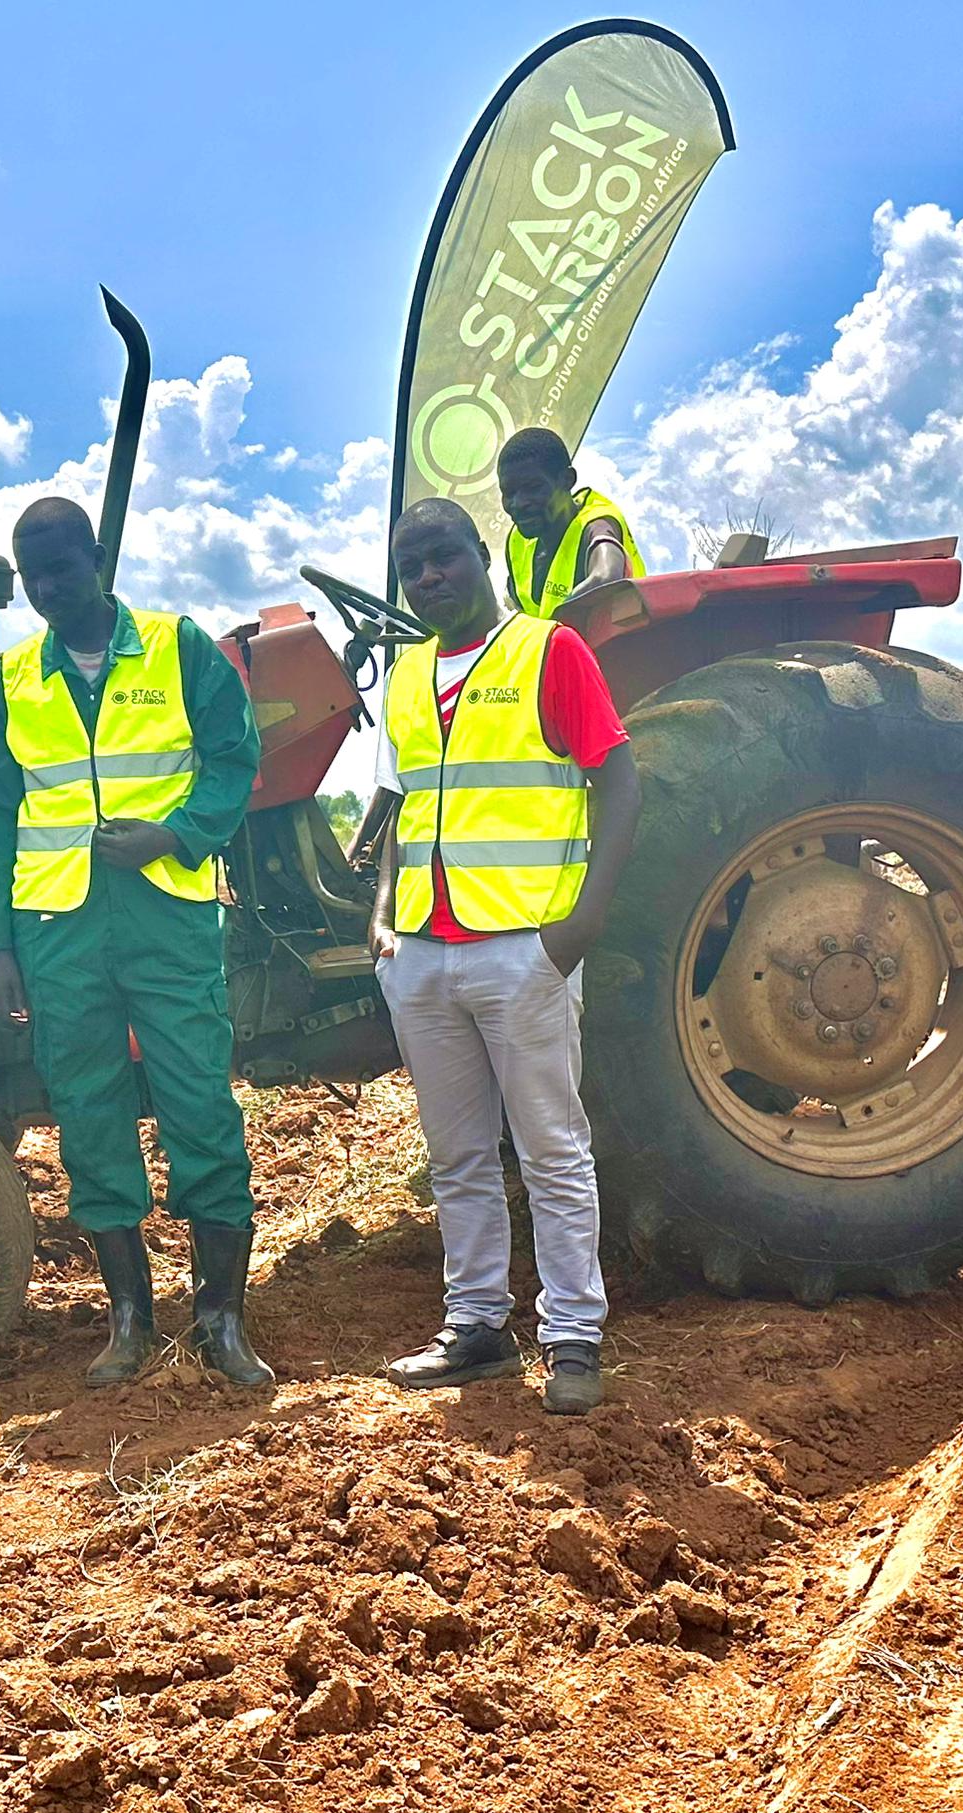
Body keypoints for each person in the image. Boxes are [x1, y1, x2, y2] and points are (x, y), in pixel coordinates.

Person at [0, 498, 270, 1390]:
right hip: (56, 926)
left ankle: (220, 1316)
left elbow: (233, 761)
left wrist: (176, 835)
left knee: (198, 1101)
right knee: (90, 1111)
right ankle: (129, 1317)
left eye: (62, 567)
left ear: (97, 558)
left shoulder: (180, 650)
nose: (49, 589)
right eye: (33, 577)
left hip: (165, 914)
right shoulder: (10, 681)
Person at [367, 497, 641, 1415]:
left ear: (481, 554)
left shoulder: (547, 652)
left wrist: (578, 929)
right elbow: (406, 809)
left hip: (522, 948)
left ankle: (572, 1338)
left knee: (553, 1151)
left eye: (443, 556)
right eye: (412, 567)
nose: (429, 577)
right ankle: (477, 1326)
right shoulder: (406, 677)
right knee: (457, 1159)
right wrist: (383, 922)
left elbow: (620, 780)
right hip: (425, 953)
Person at [497, 427, 645, 619]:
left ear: (567, 480)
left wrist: (552, 630)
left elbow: (607, 576)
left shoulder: (595, 525)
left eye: (533, 488)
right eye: (508, 493)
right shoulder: (518, 540)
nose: (518, 503)